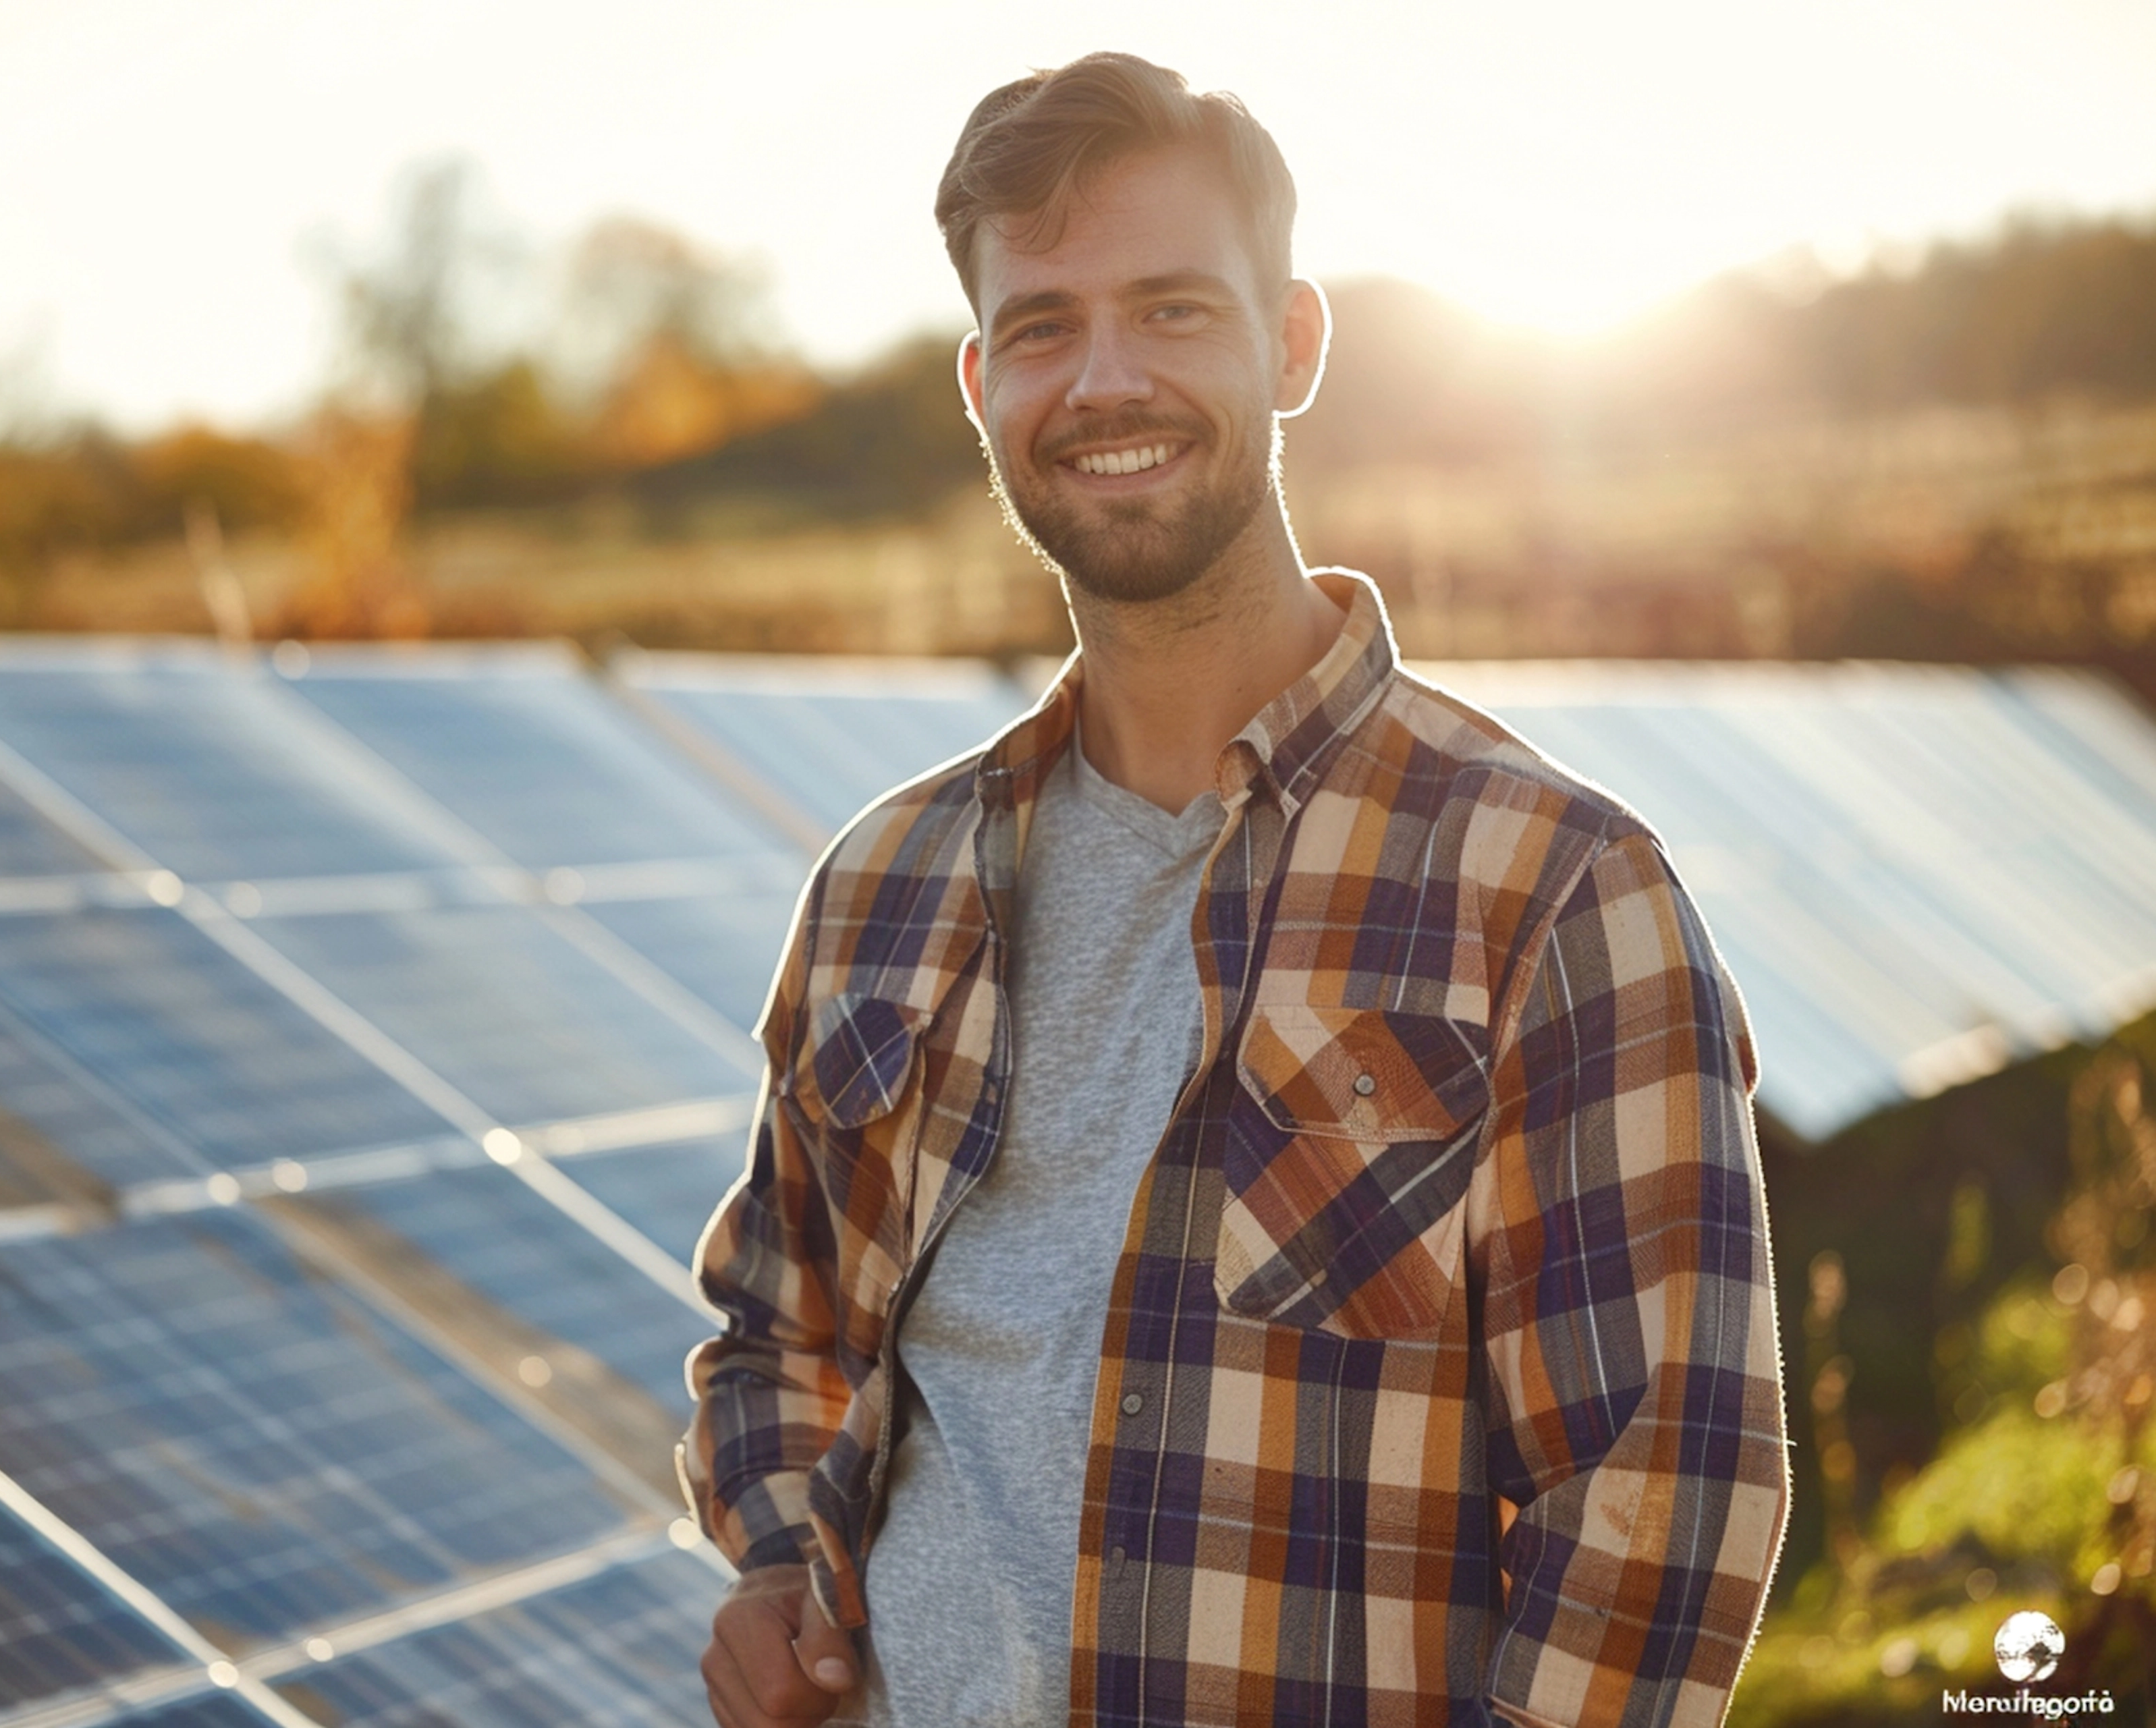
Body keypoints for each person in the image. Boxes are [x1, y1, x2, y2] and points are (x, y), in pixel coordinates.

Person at [680, 50, 1788, 1728]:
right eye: (1043, 325)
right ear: (981, 380)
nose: (1103, 378)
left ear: (1292, 343)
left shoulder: (1552, 890)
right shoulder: (881, 889)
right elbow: (775, 1331)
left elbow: (1658, 1505)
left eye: (1174, 310)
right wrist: (779, 1574)